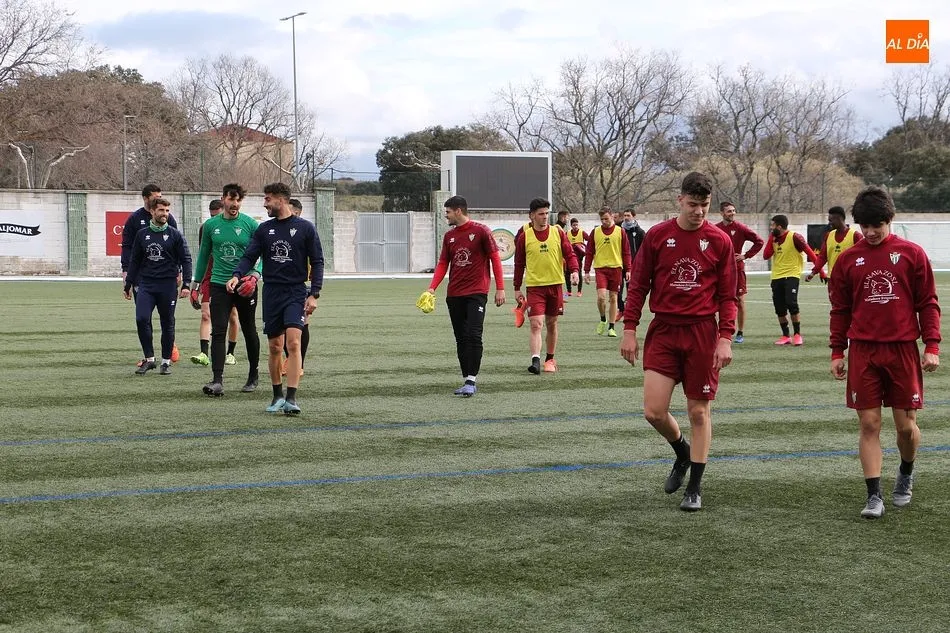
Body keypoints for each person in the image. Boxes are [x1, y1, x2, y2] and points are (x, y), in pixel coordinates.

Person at [620, 171, 737, 512]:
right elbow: (638, 285)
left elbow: (728, 295)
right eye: (692, 204)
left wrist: (725, 338)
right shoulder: (658, 236)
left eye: (704, 205)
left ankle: (696, 487)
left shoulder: (719, 241)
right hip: (665, 330)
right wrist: (630, 329)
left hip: (702, 332)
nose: (699, 211)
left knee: (699, 411)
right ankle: (682, 452)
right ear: (679, 201)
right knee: (653, 411)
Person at [829, 186, 941, 519]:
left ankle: (906, 471)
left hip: (902, 350)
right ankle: (874, 494)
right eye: (864, 226)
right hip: (863, 351)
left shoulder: (912, 254)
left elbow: (927, 303)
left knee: (906, 428)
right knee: (869, 424)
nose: (870, 232)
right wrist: (838, 350)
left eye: (876, 225)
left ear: (889, 219)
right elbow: (840, 309)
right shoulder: (849, 259)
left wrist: (931, 345)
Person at [228, 182, 324, 415]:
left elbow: (318, 261)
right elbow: (250, 256)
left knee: (293, 343)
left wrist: (314, 293)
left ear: (281, 200)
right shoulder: (264, 230)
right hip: (272, 293)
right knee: (274, 347)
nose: (265, 203)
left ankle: (292, 398)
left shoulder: (305, 228)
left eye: (268, 199)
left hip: (295, 292)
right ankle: (277, 395)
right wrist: (236, 275)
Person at [422, 195, 506, 396]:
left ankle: (471, 380)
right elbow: (443, 263)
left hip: (477, 293)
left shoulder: (481, 231)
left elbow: (495, 259)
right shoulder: (449, 237)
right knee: (460, 337)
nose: (446, 216)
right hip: (454, 294)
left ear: (458, 211)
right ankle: (466, 377)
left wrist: (500, 288)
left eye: (448, 212)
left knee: (473, 334)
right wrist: (432, 287)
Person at [190, 184, 262, 397]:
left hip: (245, 286)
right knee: (218, 330)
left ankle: (253, 375)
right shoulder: (211, 226)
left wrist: (255, 275)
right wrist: (195, 285)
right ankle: (217, 380)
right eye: (231, 199)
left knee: (249, 329)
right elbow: (204, 256)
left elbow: (263, 255)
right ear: (223, 199)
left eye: (239, 200)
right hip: (219, 284)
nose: (235, 204)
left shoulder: (250, 224)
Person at [123, 197, 192, 375]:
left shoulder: (175, 235)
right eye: (161, 210)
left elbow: (186, 259)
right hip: (146, 284)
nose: (165, 214)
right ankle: (150, 359)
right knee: (141, 318)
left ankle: (166, 362)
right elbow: (135, 260)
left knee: (167, 322)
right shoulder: (142, 234)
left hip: (168, 285)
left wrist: (186, 284)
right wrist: (128, 283)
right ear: (152, 212)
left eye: (167, 211)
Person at [513, 197, 579, 374]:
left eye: (546, 214)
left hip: (555, 285)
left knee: (552, 323)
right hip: (535, 287)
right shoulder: (524, 237)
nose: (544, 217)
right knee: (536, 324)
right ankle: (535, 360)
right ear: (531, 216)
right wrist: (516, 287)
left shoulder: (558, 233)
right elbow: (519, 263)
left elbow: (570, 254)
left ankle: (550, 359)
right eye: (541, 214)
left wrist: (574, 271)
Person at [191, 199, 240, 367]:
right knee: (206, 314)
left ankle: (230, 353)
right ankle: (204, 353)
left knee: (232, 316)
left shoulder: (238, 227)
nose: (214, 219)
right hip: (211, 276)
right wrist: (195, 286)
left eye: (216, 215)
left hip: (230, 275)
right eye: (211, 215)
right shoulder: (207, 227)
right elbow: (204, 256)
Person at [762, 214, 821, 346]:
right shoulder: (774, 238)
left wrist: (819, 271)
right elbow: (766, 255)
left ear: (779, 226)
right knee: (779, 307)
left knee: (791, 303)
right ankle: (785, 336)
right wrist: (772, 237)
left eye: (772, 225)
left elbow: (810, 252)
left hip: (792, 275)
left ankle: (797, 334)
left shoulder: (795, 237)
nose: (771, 228)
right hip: (777, 276)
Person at [714, 201, 765, 343]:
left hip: (737, 269)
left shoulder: (740, 228)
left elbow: (759, 241)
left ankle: (740, 333)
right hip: (719, 270)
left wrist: (745, 255)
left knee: (740, 300)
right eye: (729, 211)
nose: (732, 213)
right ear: (722, 213)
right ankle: (719, 332)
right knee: (717, 300)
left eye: (734, 211)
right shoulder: (715, 229)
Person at [584, 207, 632, 337]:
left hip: (616, 268)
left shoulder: (620, 232)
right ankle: (603, 319)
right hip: (601, 269)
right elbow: (589, 252)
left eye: (606, 218)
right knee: (601, 297)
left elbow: (626, 252)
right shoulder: (595, 232)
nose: (604, 221)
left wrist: (628, 269)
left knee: (613, 297)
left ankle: (611, 327)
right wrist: (586, 271)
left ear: (612, 216)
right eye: (602, 219)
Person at [806, 205, 861, 287]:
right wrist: (813, 272)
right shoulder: (829, 235)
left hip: (849, 278)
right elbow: (822, 257)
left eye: (831, 220)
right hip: (832, 278)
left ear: (839, 219)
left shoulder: (855, 236)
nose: (829, 223)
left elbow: (862, 257)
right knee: (834, 300)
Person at [618, 207, 646, 314]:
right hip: (619, 264)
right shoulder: (618, 230)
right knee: (617, 291)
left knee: (631, 290)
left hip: (633, 265)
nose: (626, 218)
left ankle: (629, 311)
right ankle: (621, 309)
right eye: (624, 215)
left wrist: (640, 263)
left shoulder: (639, 232)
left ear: (634, 216)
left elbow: (643, 250)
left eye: (628, 215)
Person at [566, 217, 589, 297]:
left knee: (578, 273)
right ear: (571, 226)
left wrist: (584, 247)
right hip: (570, 256)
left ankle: (579, 291)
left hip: (579, 257)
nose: (575, 226)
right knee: (567, 273)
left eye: (576, 225)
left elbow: (589, 239)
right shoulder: (567, 233)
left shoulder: (582, 232)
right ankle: (569, 291)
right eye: (574, 225)